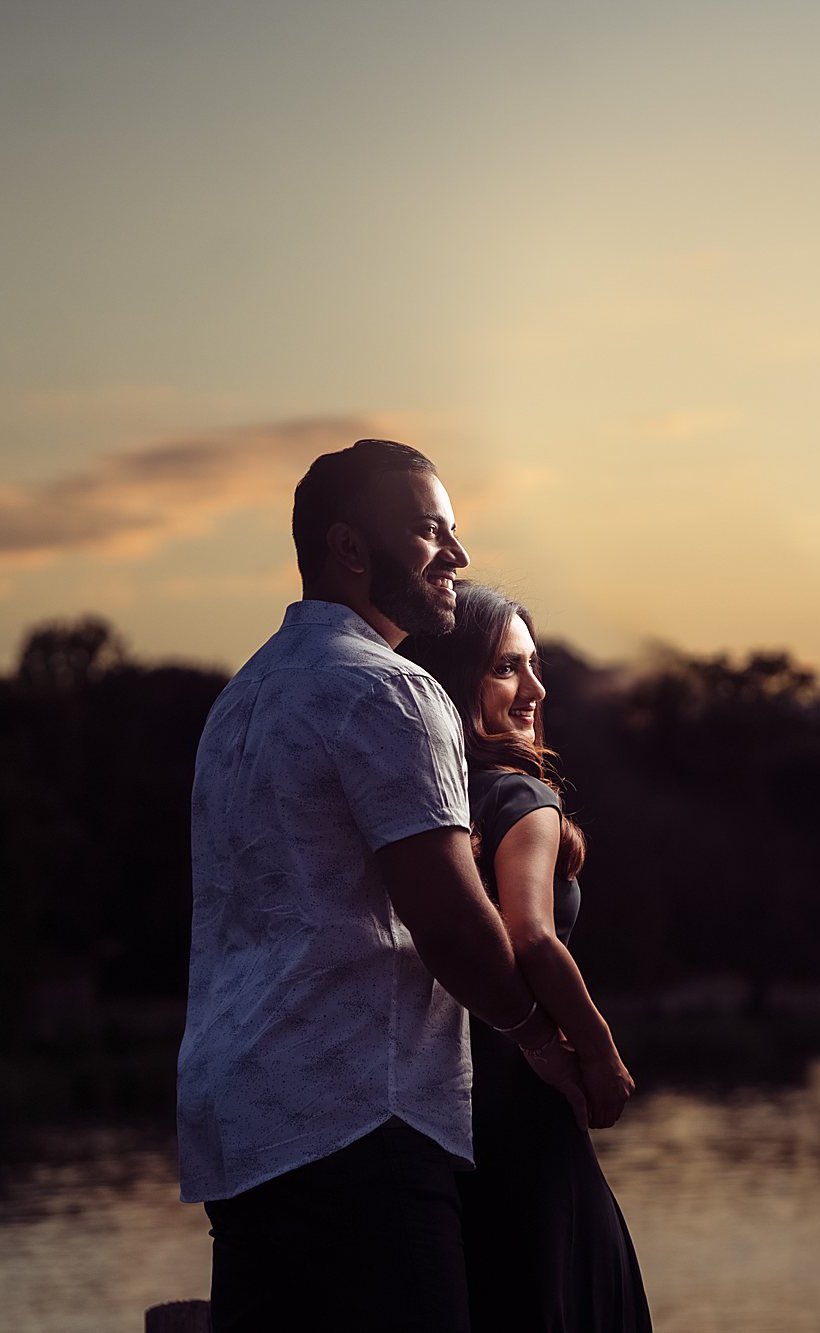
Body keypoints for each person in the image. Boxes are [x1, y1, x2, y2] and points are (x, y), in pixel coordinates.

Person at [177, 439, 624, 1332]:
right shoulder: (388, 689)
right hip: (359, 1123)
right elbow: (453, 925)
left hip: (239, 1131)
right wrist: (541, 1035)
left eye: (453, 532)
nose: (456, 555)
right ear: (349, 550)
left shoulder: (244, 699)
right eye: (429, 532)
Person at [402, 584, 651, 1332]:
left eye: (534, 665)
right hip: (529, 1116)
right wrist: (601, 1053)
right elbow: (531, 935)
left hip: (445, 1117)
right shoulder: (519, 798)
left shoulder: (423, 807)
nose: (535, 689)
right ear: (458, 679)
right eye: (508, 666)